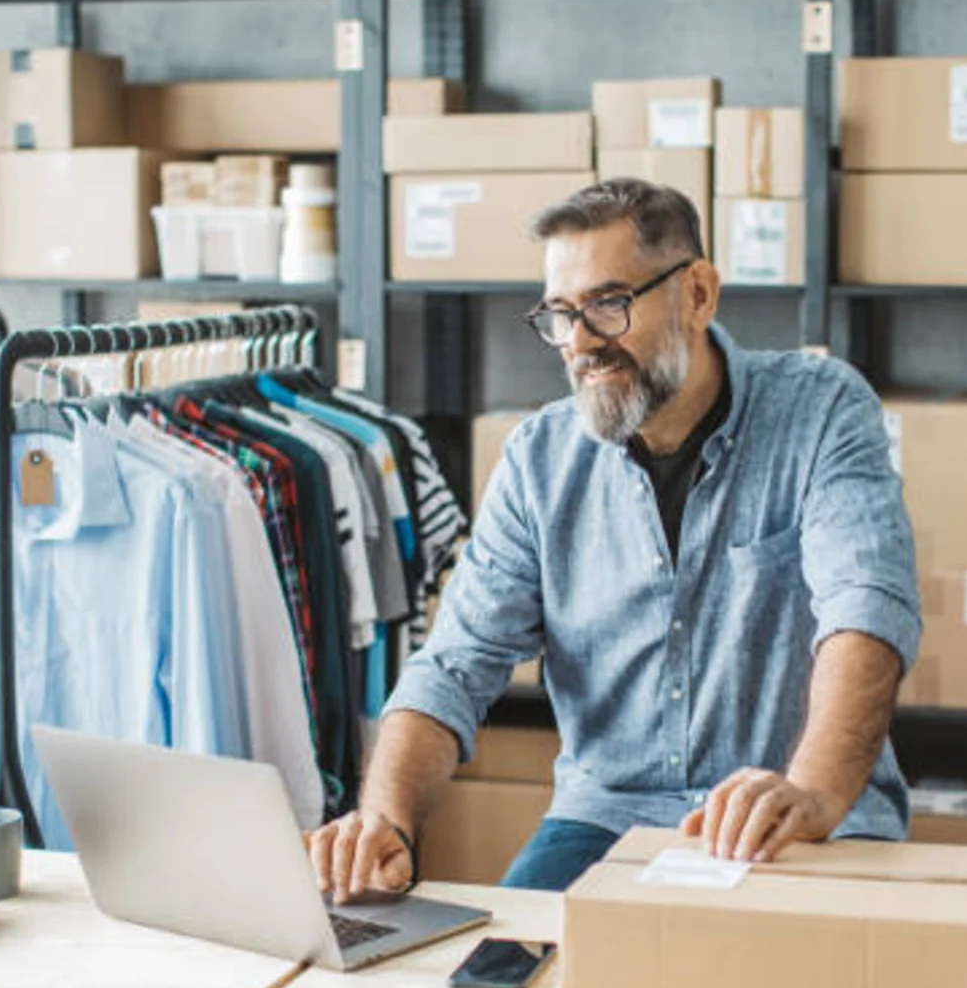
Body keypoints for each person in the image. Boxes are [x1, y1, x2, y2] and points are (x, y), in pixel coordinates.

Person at [307, 178, 920, 901]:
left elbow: (865, 610)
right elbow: (454, 665)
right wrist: (384, 819)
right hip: (606, 823)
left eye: (608, 305)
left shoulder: (822, 411)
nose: (581, 344)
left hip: (795, 819)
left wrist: (814, 792)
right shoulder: (539, 460)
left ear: (698, 293)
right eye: (561, 315)